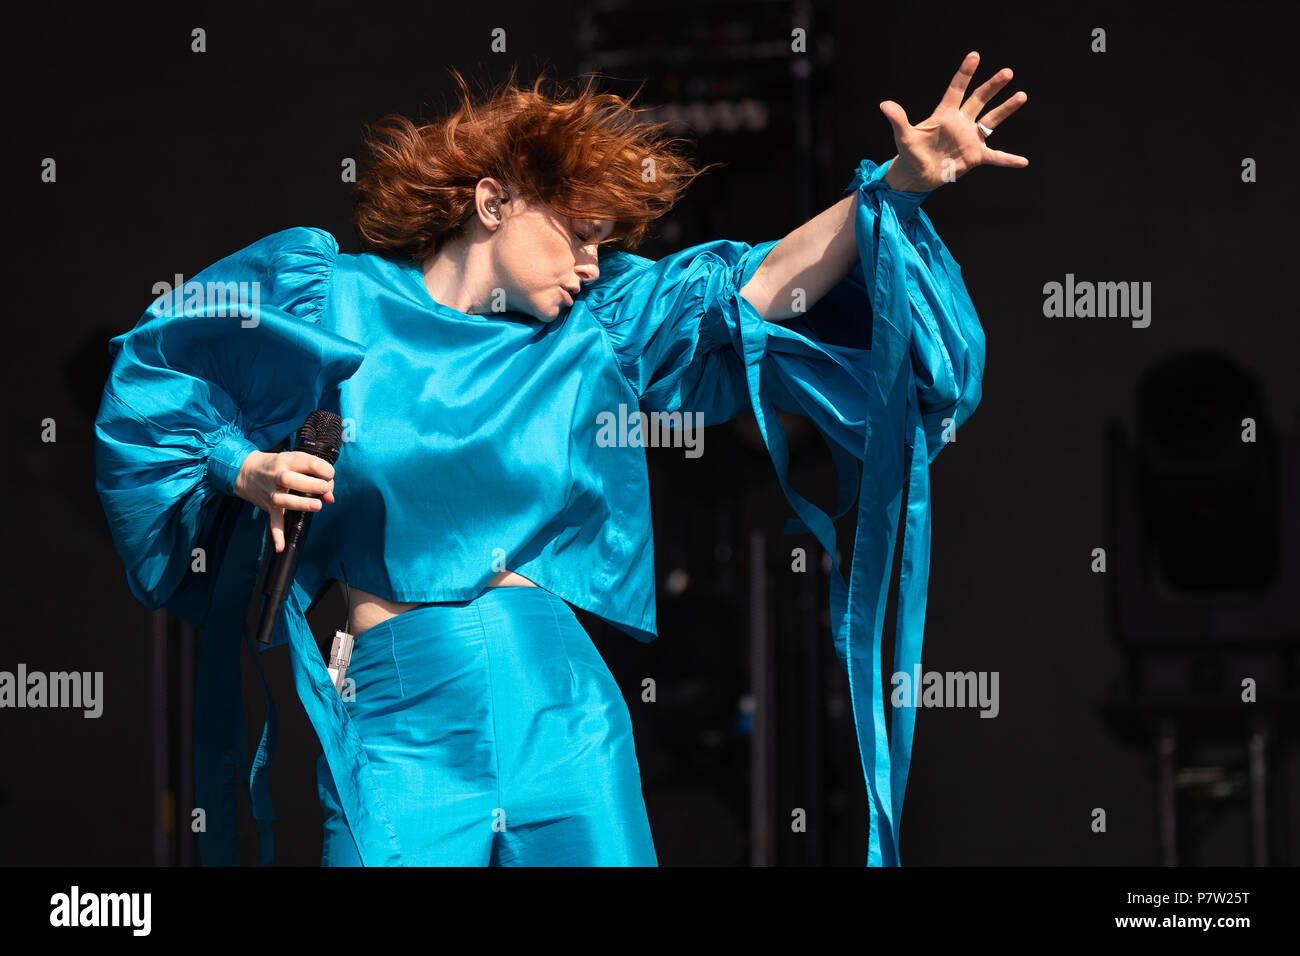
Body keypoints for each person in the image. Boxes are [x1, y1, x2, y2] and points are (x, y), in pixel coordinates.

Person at [93, 52, 1026, 867]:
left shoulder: (599, 332)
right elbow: (156, 375)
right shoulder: (330, 299)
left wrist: (895, 189)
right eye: (574, 233)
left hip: (562, 707)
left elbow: (762, 283)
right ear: (491, 203)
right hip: (399, 718)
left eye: (601, 242)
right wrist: (239, 463)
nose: (589, 261)